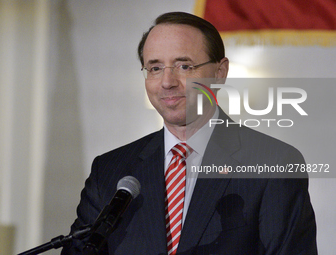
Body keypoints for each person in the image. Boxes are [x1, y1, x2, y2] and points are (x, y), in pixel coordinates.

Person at [61, 12, 317, 254]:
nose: (167, 82)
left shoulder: (275, 163)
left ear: (219, 73)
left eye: (184, 66)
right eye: (155, 68)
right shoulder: (109, 171)